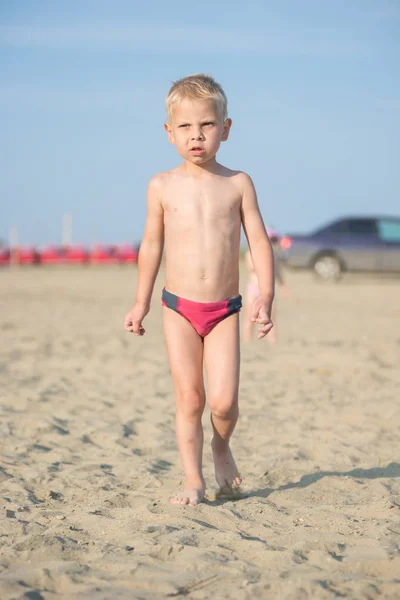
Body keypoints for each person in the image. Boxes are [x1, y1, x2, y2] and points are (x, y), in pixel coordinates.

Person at [124, 74, 275, 506]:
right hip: (178, 308)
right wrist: (141, 302)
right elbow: (151, 246)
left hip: (225, 309)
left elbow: (259, 241)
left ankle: (221, 446)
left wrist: (266, 294)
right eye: (186, 127)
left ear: (225, 129)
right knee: (190, 398)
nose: (197, 136)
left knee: (224, 403)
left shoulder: (238, 183)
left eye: (207, 125)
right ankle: (193, 480)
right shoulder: (161, 186)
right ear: (169, 132)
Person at [243, 228, 289, 344]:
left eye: (274, 241)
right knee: (250, 317)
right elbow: (251, 268)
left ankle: (272, 341)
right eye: (270, 240)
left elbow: (278, 272)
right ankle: (247, 341)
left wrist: (283, 286)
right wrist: (263, 260)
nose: (272, 243)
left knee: (271, 318)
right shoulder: (251, 253)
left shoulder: (275, 257)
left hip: (268, 290)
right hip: (254, 288)